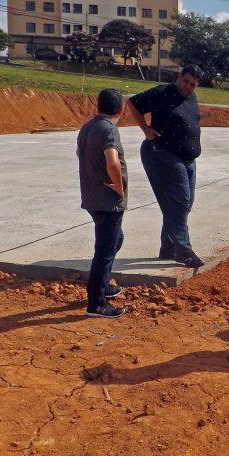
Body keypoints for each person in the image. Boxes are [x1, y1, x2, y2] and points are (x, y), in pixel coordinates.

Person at [126, 65, 206, 268]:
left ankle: (168, 248)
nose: (188, 87)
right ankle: (183, 251)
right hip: (162, 153)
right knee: (179, 202)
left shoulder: (191, 97)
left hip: (187, 159)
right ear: (179, 76)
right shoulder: (162, 92)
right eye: (186, 81)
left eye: (193, 85)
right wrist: (145, 129)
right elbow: (133, 103)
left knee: (183, 205)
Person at [76, 88, 128, 318]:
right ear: (120, 109)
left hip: (91, 196)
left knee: (116, 239)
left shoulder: (87, 127)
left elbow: (80, 152)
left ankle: (104, 284)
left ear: (97, 106)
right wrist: (118, 186)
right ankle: (96, 303)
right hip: (108, 200)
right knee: (105, 250)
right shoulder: (109, 129)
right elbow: (112, 161)